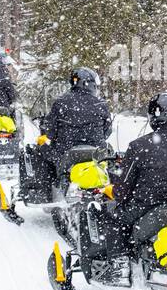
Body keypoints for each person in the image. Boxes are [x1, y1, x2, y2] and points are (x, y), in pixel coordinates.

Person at [102, 92, 167, 270]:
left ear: (154, 116)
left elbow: (121, 191)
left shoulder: (138, 146)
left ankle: (119, 266)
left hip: (144, 209)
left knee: (112, 216)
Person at [30, 67, 113, 199]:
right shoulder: (101, 104)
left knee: (39, 151)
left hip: (65, 153)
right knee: (111, 154)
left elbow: (50, 132)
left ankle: (44, 192)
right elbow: (107, 131)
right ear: (90, 84)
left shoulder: (61, 103)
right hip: (96, 152)